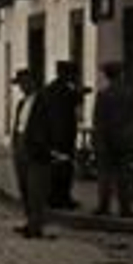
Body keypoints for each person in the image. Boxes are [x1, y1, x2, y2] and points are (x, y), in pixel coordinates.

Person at [14, 67, 62, 239]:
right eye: (20, 84)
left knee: (36, 190)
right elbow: (19, 126)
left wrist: (48, 148)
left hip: (37, 150)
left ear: (32, 82)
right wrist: (15, 146)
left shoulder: (44, 101)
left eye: (24, 83)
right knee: (25, 188)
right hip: (21, 148)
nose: (22, 87)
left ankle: (36, 226)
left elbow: (53, 126)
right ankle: (30, 221)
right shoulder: (22, 103)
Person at [92, 61, 133, 219]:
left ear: (107, 76)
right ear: (120, 74)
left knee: (105, 175)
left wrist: (98, 141)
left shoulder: (103, 95)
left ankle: (104, 206)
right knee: (124, 175)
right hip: (124, 139)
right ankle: (126, 208)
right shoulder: (130, 94)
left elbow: (98, 121)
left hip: (107, 139)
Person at [46, 61, 88, 210]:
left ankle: (54, 197)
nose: (73, 76)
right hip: (63, 136)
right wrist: (80, 91)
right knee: (64, 168)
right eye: (71, 74)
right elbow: (78, 100)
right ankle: (62, 198)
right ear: (65, 74)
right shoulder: (65, 90)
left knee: (56, 167)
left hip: (53, 135)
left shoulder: (50, 88)